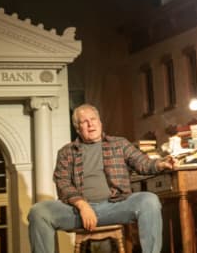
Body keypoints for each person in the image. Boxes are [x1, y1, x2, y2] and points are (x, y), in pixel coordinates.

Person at [28, 103, 177, 253]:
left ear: (100, 123)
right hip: (77, 212)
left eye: (93, 119)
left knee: (149, 200)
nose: (90, 124)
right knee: (38, 211)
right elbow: (63, 183)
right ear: (78, 128)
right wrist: (82, 205)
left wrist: (161, 164)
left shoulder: (119, 144)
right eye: (84, 121)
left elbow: (143, 163)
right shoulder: (67, 152)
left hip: (115, 206)